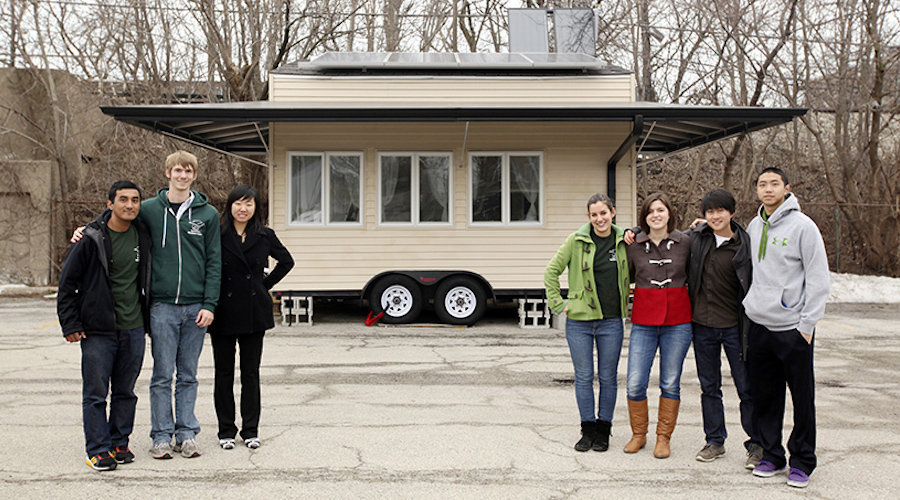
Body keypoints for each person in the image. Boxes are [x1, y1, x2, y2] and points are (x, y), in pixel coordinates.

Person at [76, 151, 222, 458]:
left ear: (194, 176)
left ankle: (186, 433)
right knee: (161, 374)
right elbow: (117, 216)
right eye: (178, 170)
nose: (183, 176)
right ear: (167, 172)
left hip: (196, 307)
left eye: (188, 171)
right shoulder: (149, 210)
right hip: (161, 307)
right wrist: (86, 229)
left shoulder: (207, 214)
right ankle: (161, 435)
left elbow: (214, 262)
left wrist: (210, 303)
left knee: (188, 374)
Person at [743, 168, 829, 488]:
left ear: (786, 188)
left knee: (802, 398)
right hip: (760, 326)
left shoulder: (803, 227)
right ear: (757, 190)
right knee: (766, 396)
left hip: (793, 328)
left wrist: (807, 325)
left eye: (774, 184)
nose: (767, 189)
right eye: (762, 184)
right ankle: (772, 455)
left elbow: (818, 278)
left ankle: (803, 461)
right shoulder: (754, 225)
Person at [57, 181, 152, 471]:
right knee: (96, 393)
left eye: (135, 200)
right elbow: (67, 283)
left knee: (126, 391)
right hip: (98, 329)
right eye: (123, 200)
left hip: (134, 327)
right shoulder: (91, 238)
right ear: (109, 204)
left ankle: (118, 442)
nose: (130, 205)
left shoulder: (142, 234)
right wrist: (70, 323)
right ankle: (97, 449)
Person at [208, 185, 294, 450]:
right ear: (229, 206)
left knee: (251, 374)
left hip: (254, 312)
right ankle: (225, 431)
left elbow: (286, 261)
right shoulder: (217, 233)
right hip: (223, 310)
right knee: (223, 373)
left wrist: (262, 285)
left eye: (249, 204)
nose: (243, 209)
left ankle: (250, 430)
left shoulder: (264, 234)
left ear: (256, 207)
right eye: (238, 203)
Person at [545, 194, 630, 452]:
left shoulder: (624, 241)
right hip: (580, 322)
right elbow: (551, 271)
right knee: (583, 377)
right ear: (589, 217)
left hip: (612, 321)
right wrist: (558, 305)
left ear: (612, 212)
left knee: (608, 377)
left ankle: (604, 431)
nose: (599, 219)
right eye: (594, 215)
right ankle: (587, 429)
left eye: (603, 213)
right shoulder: (576, 240)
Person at [688, 189, 762, 468]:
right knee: (709, 387)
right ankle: (715, 441)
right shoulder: (696, 238)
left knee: (747, 388)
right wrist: (634, 230)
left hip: (735, 328)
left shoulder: (746, 244)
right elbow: (664, 237)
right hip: (703, 327)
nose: (715, 216)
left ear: (732, 212)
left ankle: (756, 444)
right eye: (709, 212)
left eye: (720, 211)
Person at [623, 192, 692, 459]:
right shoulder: (633, 243)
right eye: (651, 211)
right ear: (645, 216)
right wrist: (633, 231)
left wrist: (700, 223)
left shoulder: (686, 242)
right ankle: (639, 435)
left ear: (669, 214)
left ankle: (663, 438)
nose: (656, 215)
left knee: (670, 381)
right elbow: (625, 275)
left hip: (678, 321)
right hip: (643, 320)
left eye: (661, 210)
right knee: (635, 382)